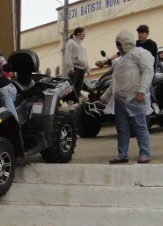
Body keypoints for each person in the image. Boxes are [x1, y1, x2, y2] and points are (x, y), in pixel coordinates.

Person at [98, 30, 153, 164]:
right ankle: (122, 155)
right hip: (120, 99)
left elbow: (147, 72)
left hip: (135, 97)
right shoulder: (119, 60)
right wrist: (104, 98)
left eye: (119, 44)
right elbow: (115, 81)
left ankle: (145, 153)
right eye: (117, 44)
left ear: (126, 42)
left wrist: (141, 90)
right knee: (121, 128)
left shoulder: (140, 54)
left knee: (140, 126)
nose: (118, 47)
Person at [64, 26, 89, 96]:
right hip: (74, 68)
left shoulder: (83, 45)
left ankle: (77, 100)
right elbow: (67, 55)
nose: (85, 35)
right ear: (78, 34)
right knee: (72, 86)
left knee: (79, 86)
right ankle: (71, 100)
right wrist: (70, 67)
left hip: (82, 68)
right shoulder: (71, 42)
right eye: (83, 34)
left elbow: (85, 57)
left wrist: (87, 67)